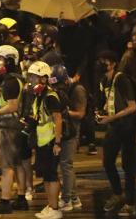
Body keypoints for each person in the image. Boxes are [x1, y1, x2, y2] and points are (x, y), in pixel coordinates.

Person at [0, 44, 30, 214]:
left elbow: (12, 106)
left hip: (8, 126)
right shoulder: (17, 78)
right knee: (18, 164)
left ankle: (5, 201)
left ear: (9, 61)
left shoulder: (11, 81)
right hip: (17, 125)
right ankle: (21, 198)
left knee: (6, 165)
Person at [96, 50, 136, 217]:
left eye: (104, 61)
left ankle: (130, 203)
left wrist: (111, 117)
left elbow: (133, 106)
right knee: (108, 162)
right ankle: (117, 193)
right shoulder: (104, 80)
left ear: (113, 63)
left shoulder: (121, 79)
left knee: (129, 166)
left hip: (127, 127)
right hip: (114, 127)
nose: (101, 64)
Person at [25, 61, 64, 219]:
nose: (32, 80)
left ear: (44, 79)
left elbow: (58, 119)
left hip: (50, 141)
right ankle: (50, 204)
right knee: (47, 176)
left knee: (52, 175)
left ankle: (55, 208)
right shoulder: (39, 96)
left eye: (35, 77)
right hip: (43, 141)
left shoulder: (50, 96)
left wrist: (57, 142)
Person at [54, 65, 85, 212]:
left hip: (72, 131)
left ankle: (67, 199)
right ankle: (74, 198)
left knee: (66, 165)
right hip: (67, 129)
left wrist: (64, 113)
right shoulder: (65, 89)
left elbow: (80, 114)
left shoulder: (77, 90)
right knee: (66, 165)